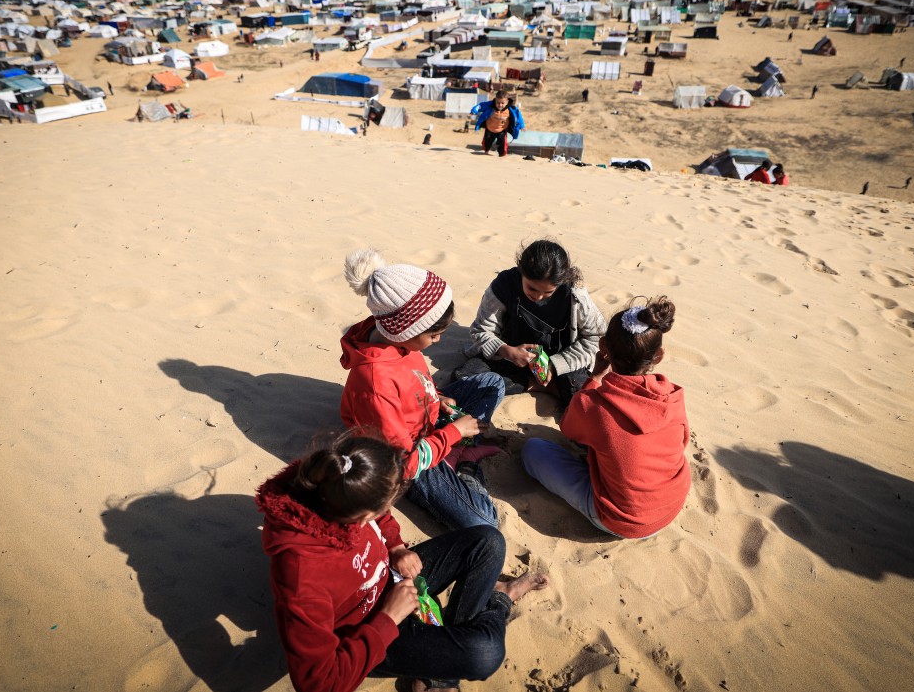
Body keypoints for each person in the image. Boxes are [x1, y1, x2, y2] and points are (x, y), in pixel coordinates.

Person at [259, 434, 548, 692]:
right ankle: (500, 600)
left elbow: (380, 515)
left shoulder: (336, 484)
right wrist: (388, 618)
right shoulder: (302, 575)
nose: (387, 512)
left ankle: (440, 672)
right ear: (360, 517)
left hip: (393, 579)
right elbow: (318, 682)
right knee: (484, 654)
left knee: (489, 541)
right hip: (367, 628)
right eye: (384, 507)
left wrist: (396, 547)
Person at [340, 249, 507, 531]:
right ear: (404, 331)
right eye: (433, 335)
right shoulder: (376, 381)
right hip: (404, 458)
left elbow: (413, 381)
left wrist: (437, 399)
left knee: (492, 383)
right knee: (483, 520)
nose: (439, 340)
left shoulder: (393, 333)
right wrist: (454, 433)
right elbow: (403, 463)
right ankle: (463, 461)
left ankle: (455, 448)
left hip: (425, 422)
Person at [521, 297, 691, 539]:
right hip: (671, 504)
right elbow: (681, 443)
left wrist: (595, 377)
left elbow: (568, 427)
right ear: (658, 356)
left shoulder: (595, 406)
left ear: (603, 348)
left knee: (532, 450)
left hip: (624, 520)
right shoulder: (673, 395)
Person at [456, 240, 606, 409]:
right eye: (532, 288)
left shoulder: (575, 295)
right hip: (511, 358)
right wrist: (507, 351)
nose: (539, 297)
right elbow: (481, 329)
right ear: (521, 270)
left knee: (583, 398)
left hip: (560, 364)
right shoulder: (504, 285)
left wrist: (555, 365)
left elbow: (596, 338)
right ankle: (531, 384)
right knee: (465, 376)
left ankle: (548, 385)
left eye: (548, 292)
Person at [471, 91, 523, 157]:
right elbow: (480, 106)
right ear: (495, 100)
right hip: (490, 128)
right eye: (498, 103)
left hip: (502, 129)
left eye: (502, 103)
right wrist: (474, 111)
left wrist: (522, 125)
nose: (500, 105)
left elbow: (518, 117)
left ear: (507, 102)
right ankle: (486, 151)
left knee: (502, 144)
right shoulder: (490, 106)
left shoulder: (511, 109)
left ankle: (501, 155)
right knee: (487, 143)